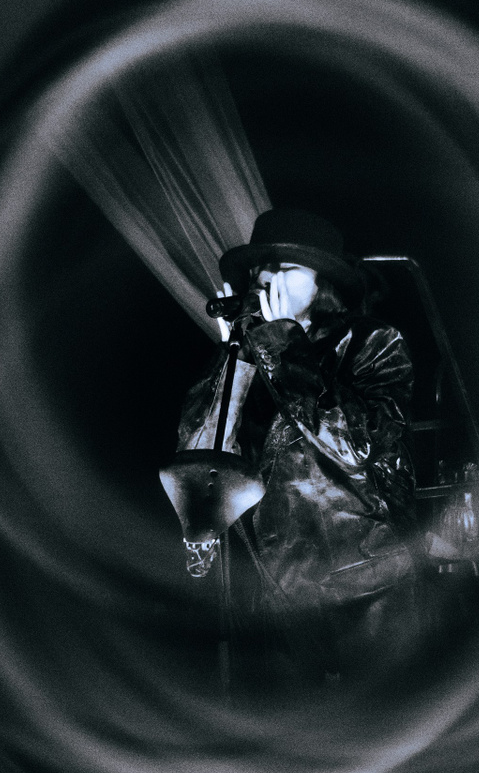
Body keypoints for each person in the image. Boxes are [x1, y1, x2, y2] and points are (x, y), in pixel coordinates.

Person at [175, 209, 418, 657]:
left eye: (287, 267)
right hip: (272, 595)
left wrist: (283, 343)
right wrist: (236, 360)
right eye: (261, 268)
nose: (268, 278)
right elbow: (197, 453)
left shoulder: (373, 342)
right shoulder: (246, 350)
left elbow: (357, 445)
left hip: (363, 583)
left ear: (323, 283)